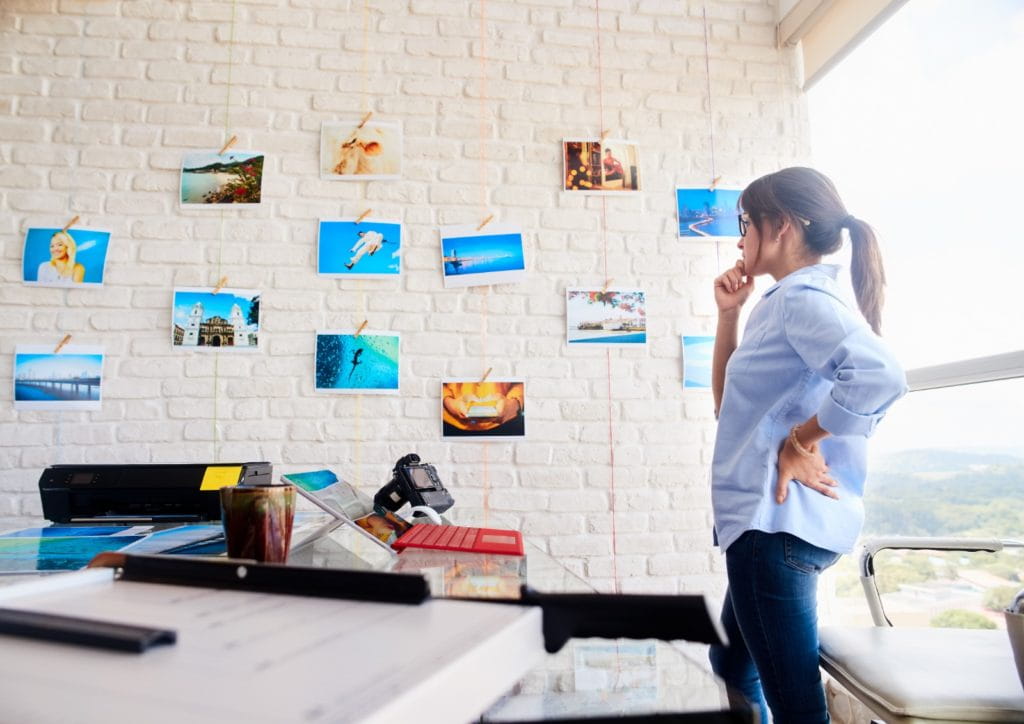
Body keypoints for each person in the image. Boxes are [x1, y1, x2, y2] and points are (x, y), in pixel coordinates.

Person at [707, 167, 907, 723]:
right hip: (774, 528)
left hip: (775, 534)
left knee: (796, 706)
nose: (739, 236)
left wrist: (801, 437)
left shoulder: (801, 300)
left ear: (783, 226)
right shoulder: (785, 302)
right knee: (733, 665)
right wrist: (729, 318)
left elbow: (881, 375)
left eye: (744, 222)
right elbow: (728, 410)